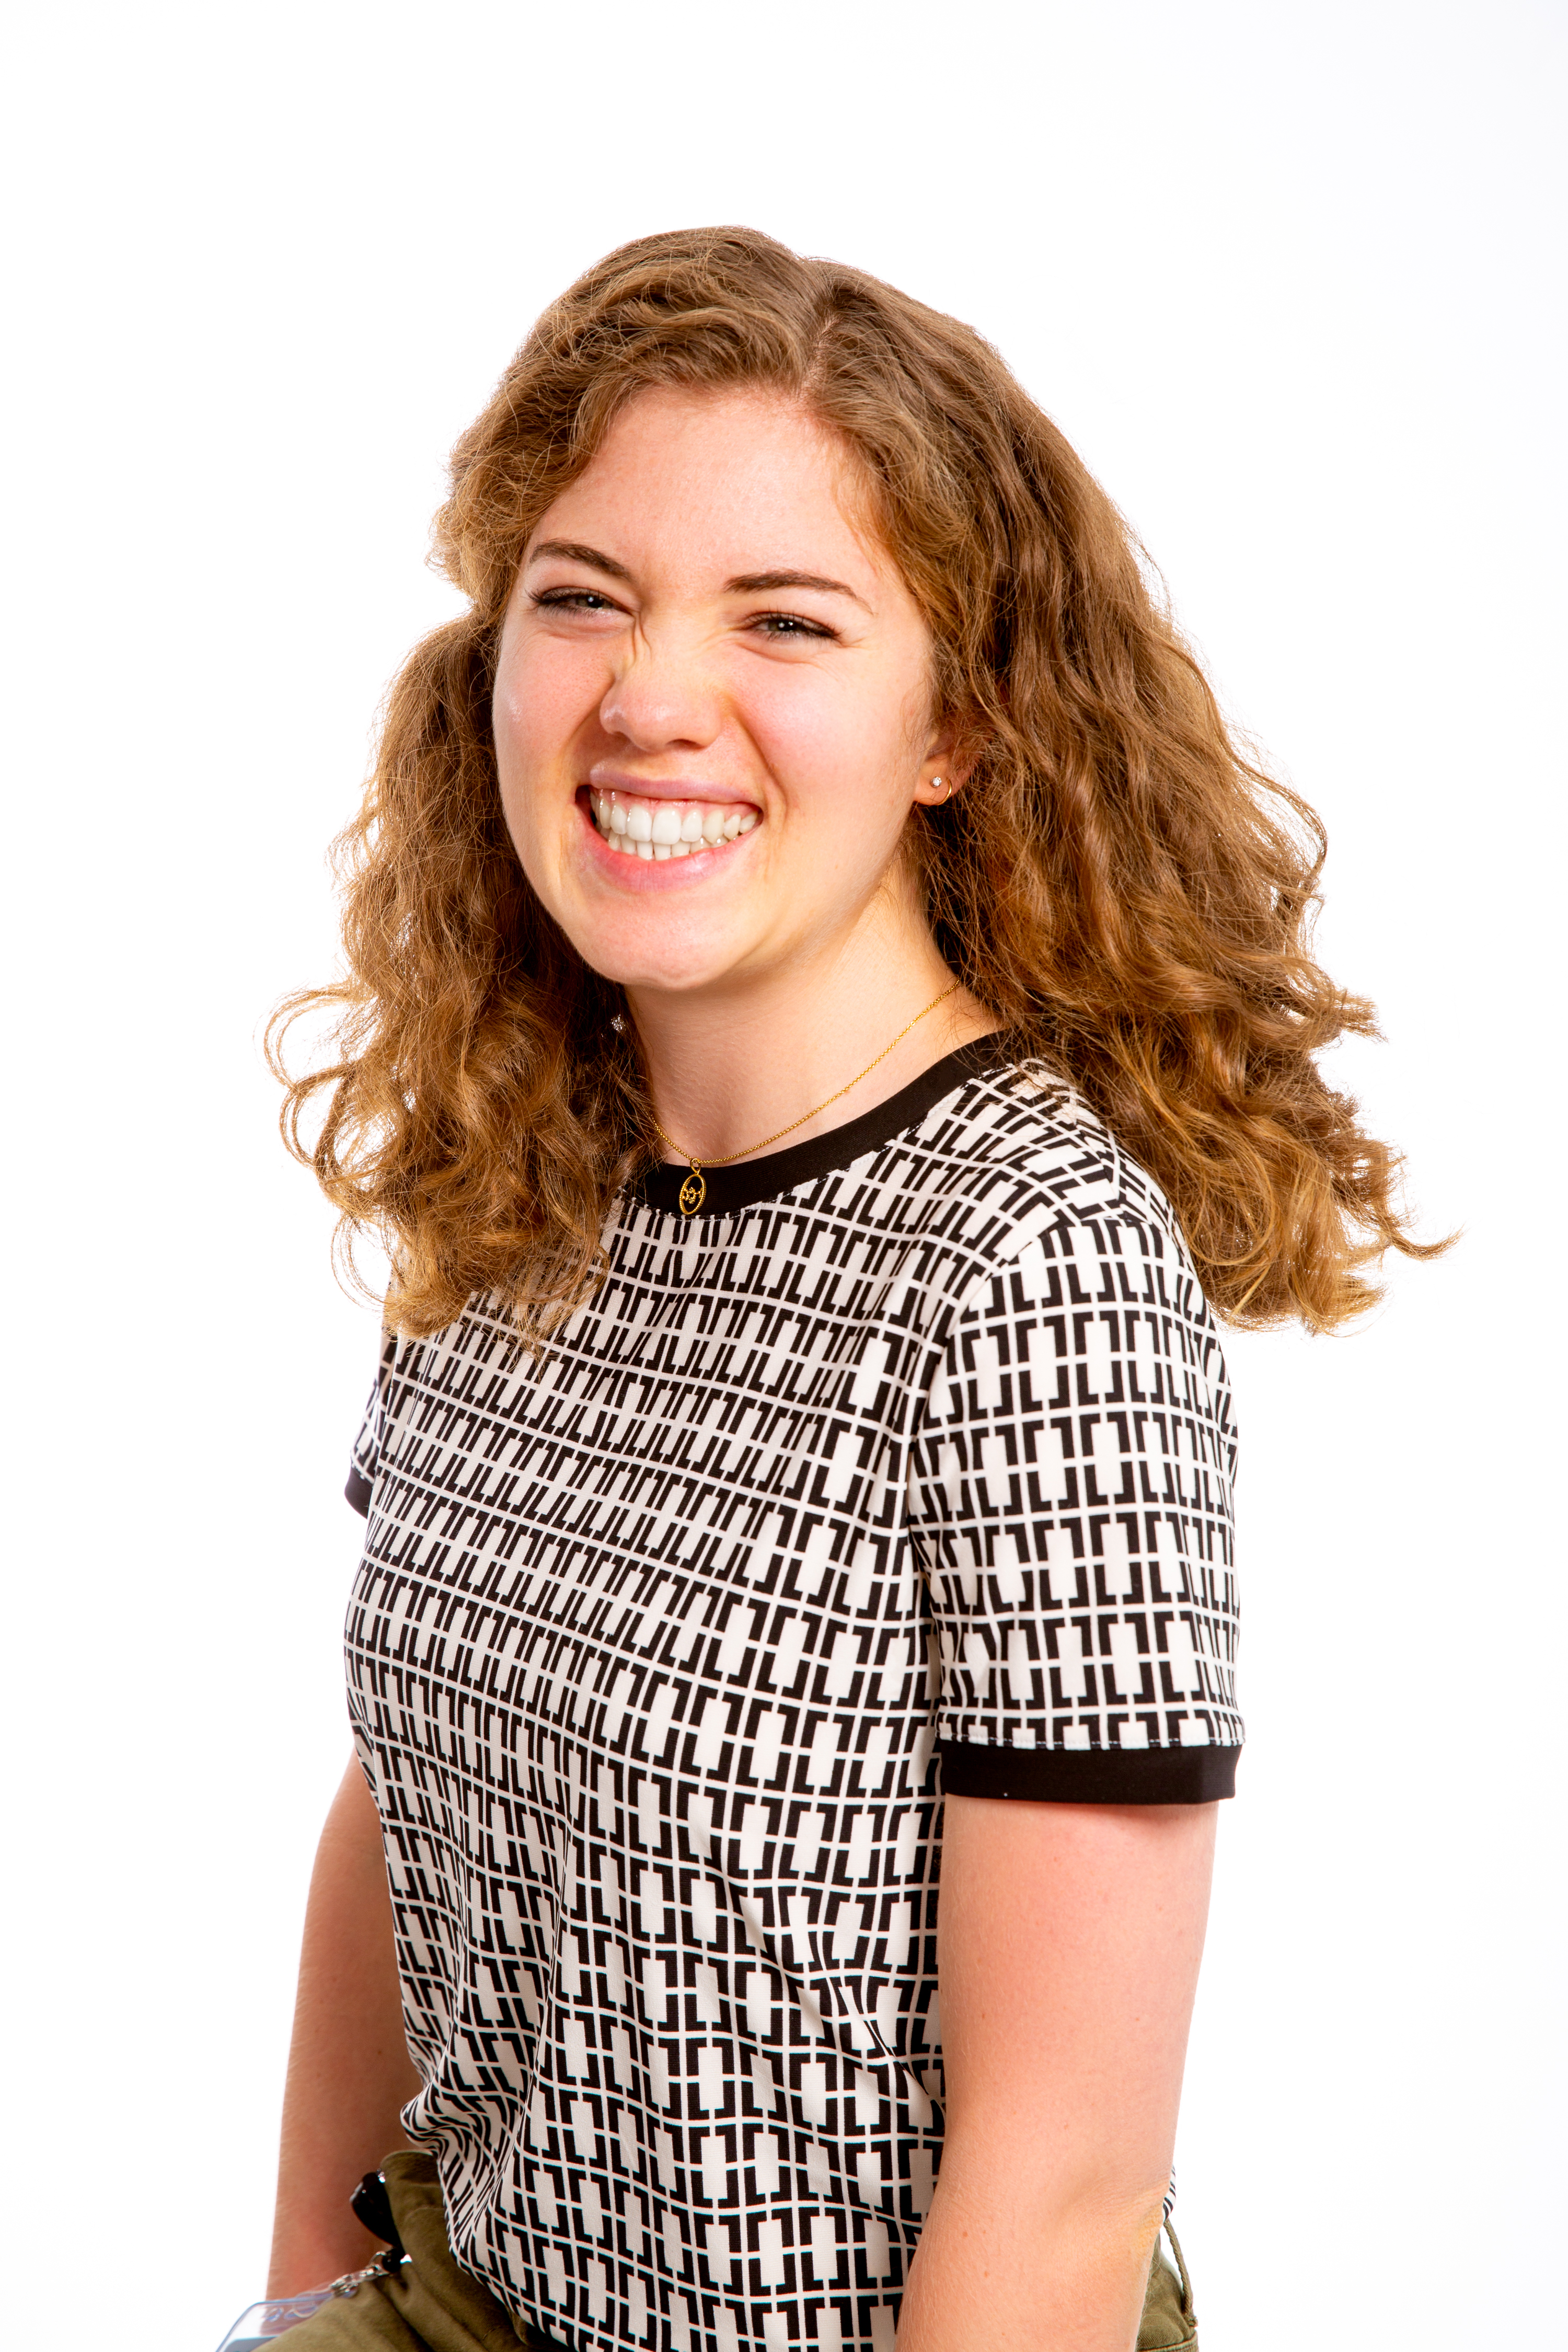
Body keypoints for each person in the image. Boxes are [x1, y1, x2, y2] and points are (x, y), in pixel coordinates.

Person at [262, 226, 1431, 2352]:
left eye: (783, 621)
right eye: (582, 595)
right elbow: (400, 1810)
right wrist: (298, 2310)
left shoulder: (1030, 1269)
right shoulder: (524, 1159)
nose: (648, 697)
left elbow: (1066, 2187)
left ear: (953, 733)